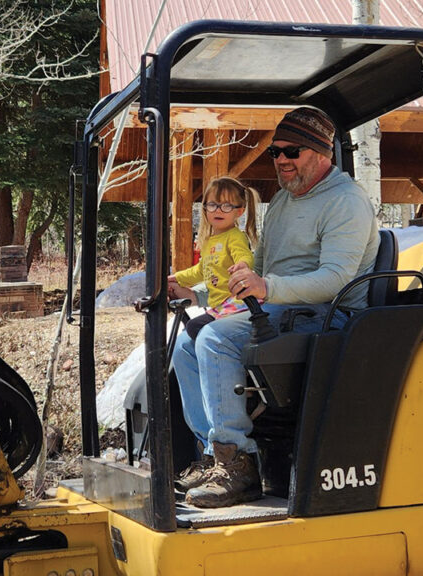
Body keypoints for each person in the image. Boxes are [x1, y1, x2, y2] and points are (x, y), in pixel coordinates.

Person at [169, 106, 380, 508]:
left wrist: (267, 288)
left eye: (292, 151)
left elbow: (335, 278)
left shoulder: (345, 202)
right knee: (186, 343)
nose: (281, 159)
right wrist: (198, 296)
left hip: (327, 316)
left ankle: (239, 466)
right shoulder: (284, 201)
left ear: (322, 153)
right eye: (275, 152)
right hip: (281, 309)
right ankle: (214, 454)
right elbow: (260, 267)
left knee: (215, 340)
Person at [168, 176, 260, 339]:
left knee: (195, 328)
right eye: (212, 205)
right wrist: (177, 278)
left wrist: (242, 265)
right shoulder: (210, 241)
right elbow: (201, 271)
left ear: (239, 211)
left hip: (237, 302)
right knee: (190, 331)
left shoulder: (235, 236)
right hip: (219, 304)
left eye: (226, 206)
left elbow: (243, 254)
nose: (218, 210)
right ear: (204, 209)